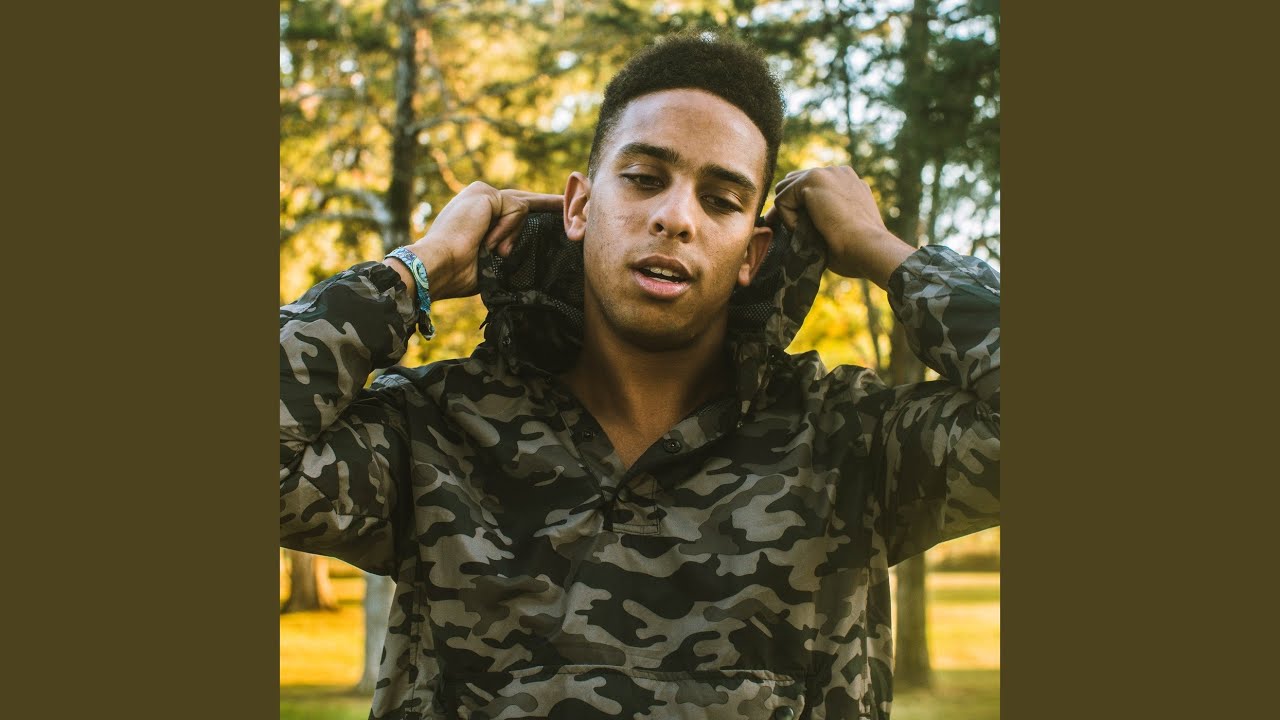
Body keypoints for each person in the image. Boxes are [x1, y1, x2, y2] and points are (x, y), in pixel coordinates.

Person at [280, 33, 999, 720]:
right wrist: (417, 269)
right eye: (644, 179)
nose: (675, 217)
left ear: (753, 255)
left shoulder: (848, 441)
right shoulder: (436, 432)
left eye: (720, 199)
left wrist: (878, 248)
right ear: (579, 206)